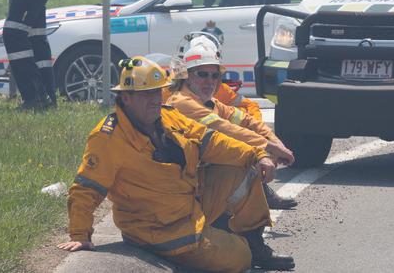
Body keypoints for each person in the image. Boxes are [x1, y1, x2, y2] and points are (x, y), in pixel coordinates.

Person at [57, 56, 295, 272]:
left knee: (243, 167)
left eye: (156, 93)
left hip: (188, 206)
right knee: (241, 257)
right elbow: (86, 188)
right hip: (161, 229)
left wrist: (257, 154)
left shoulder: (167, 114)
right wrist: (80, 234)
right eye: (145, 94)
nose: (153, 100)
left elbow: (213, 140)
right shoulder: (108, 138)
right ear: (126, 98)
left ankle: (253, 243)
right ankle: (230, 245)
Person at [166, 35, 299, 210]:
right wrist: (267, 149)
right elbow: (226, 129)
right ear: (187, 76)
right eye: (203, 74)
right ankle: (227, 218)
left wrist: (276, 143)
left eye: (215, 76)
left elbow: (247, 120)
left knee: (247, 156)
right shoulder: (182, 101)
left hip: (197, 175)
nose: (210, 81)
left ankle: (241, 220)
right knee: (242, 164)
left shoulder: (209, 101)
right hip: (182, 183)